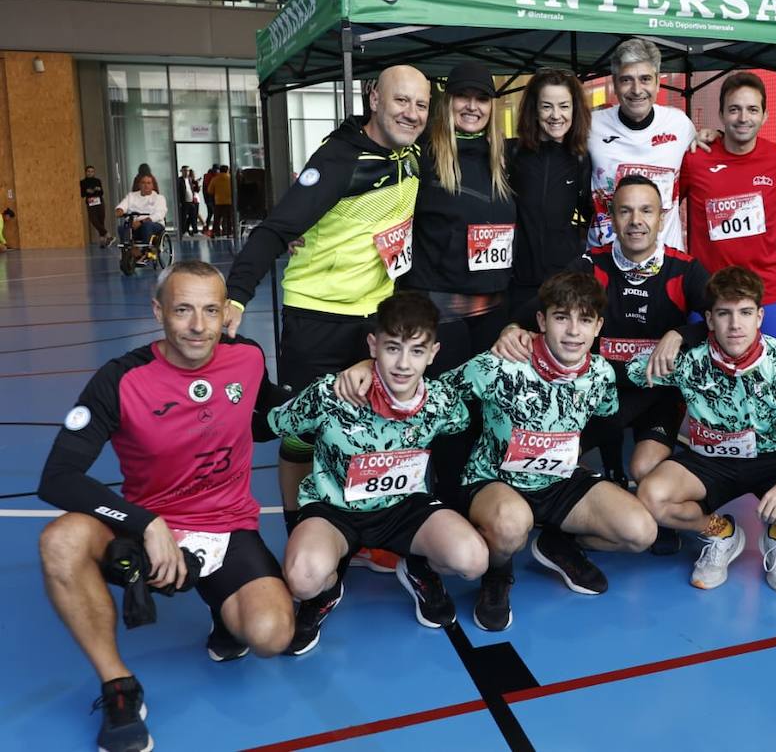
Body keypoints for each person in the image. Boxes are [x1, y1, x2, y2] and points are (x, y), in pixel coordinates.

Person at [36, 261, 293, 752]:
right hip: (144, 526)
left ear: (225, 316)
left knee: (271, 635)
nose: (197, 326)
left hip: (225, 525)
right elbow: (57, 477)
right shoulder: (120, 379)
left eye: (210, 311)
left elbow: (269, 414)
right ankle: (118, 687)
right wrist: (145, 522)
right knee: (60, 539)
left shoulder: (248, 359)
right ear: (159, 312)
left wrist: (354, 381)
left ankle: (223, 607)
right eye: (183, 310)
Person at [223, 64, 428, 554]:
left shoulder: (413, 156)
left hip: (374, 317)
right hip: (316, 314)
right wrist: (235, 295)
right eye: (402, 101)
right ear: (373, 97)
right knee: (302, 433)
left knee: (369, 424)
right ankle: (300, 532)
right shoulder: (338, 160)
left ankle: (365, 530)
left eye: (421, 105)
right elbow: (274, 229)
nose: (412, 113)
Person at [492, 174, 709, 567]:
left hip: (656, 394)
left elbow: (720, 319)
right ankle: (568, 525)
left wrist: (681, 332)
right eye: (625, 211)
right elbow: (534, 312)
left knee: (644, 467)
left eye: (646, 211)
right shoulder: (590, 265)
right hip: (598, 393)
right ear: (610, 216)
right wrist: (511, 329)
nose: (636, 221)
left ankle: (634, 511)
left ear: (662, 217)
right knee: (559, 457)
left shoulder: (685, 269)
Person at [267, 292, 488, 654]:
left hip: (405, 509)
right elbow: (278, 422)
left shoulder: (441, 402)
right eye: (392, 348)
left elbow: (461, 420)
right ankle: (327, 591)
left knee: (473, 560)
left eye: (417, 351)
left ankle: (417, 567)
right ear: (373, 345)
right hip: (334, 510)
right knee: (303, 579)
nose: (403, 363)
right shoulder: (333, 393)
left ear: (433, 353)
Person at [450, 271, 656, 631]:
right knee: (511, 524)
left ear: (598, 327)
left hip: (560, 482)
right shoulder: (501, 364)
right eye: (562, 317)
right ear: (542, 321)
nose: (574, 331)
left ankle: (558, 544)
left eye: (585, 320)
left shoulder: (601, 374)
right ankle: (498, 575)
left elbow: (607, 414)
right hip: (496, 481)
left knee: (640, 532)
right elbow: (432, 396)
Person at [631, 266, 776, 593]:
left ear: (760, 316)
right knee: (651, 497)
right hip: (708, 459)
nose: (735, 325)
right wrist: (678, 334)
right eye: (724, 314)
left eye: (745, 313)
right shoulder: (687, 359)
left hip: (774, 456)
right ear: (709, 319)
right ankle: (722, 534)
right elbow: (620, 372)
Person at [401, 61, 517, 363]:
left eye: (481, 99)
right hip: (439, 310)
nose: (472, 106)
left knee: (484, 404)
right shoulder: (421, 155)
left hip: (494, 309)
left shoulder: (504, 156)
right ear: (448, 101)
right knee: (444, 403)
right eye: (463, 96)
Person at [680, 71, 776, 343]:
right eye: (734, 109)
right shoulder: (695, 158)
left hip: (765, 294)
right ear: (722, 114)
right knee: (705, 380)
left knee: (769, 378)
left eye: (752, 110)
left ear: (765, 116)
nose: (743, 118)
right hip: (708, 294)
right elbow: (663, 205)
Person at [587, 38, 696, 250]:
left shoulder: (680, 125)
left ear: (657, 82)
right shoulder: (591, 125)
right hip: (606, 261)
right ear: (615, 83)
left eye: (645, 79)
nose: (637, 90)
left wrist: (715, 134)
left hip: (665, 262)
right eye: (627, 80)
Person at [506, 68, 594, 308]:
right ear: (534, 110)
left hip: (563, 282)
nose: (556, 115)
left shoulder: (580, 158)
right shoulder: (511, 152)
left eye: (564, 106)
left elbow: (592, 214)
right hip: (516, 282)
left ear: (574, 110)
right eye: (547, 106)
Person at [114, 173, 168, 272]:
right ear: (139, 185)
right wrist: (120, 210)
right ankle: (131, 250)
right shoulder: (132, 196)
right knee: (122, 227)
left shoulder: (159, 198)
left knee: (147, 226)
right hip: (134, 225)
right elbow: (122, 206)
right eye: (143, 183)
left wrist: (142, 221)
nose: (146, 185)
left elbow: (160, 214)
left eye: (148, 183)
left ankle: (146, 252)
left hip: (154, 225)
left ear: (152, 185)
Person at [81, 165, 113, 246]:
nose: (90, 173)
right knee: (93, 220)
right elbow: (82, 194)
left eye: (92, 171)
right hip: (90, 202)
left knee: (101, 220)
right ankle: (108, 235)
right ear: (85, 172)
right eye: (88, 171)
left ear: (94, 172)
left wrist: (98, 189)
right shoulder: (83, 182)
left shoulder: (97, 181)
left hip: (99, 202)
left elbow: (101, 192)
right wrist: (87, 191)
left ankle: (102, 241)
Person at [209, 165, 233, 238]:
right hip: (229, 201)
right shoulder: (230, 178)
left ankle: (216, 232)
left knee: (217, 218)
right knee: (229, 218)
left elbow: (210, 191)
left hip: (218, 201)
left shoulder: (215, 179)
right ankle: (229, 232)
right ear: (227, 170)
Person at [176, 166, 201, 236]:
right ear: (181, 171)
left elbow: (192, 189)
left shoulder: (190, 179)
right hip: (184, 202)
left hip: (191, 201)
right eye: (184, 171)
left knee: (193, 216)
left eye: (187, 171)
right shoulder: (179, 180)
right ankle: (184, 231)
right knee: (184, 217)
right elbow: (178, 192)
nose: (186, 172)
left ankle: (195, 231)